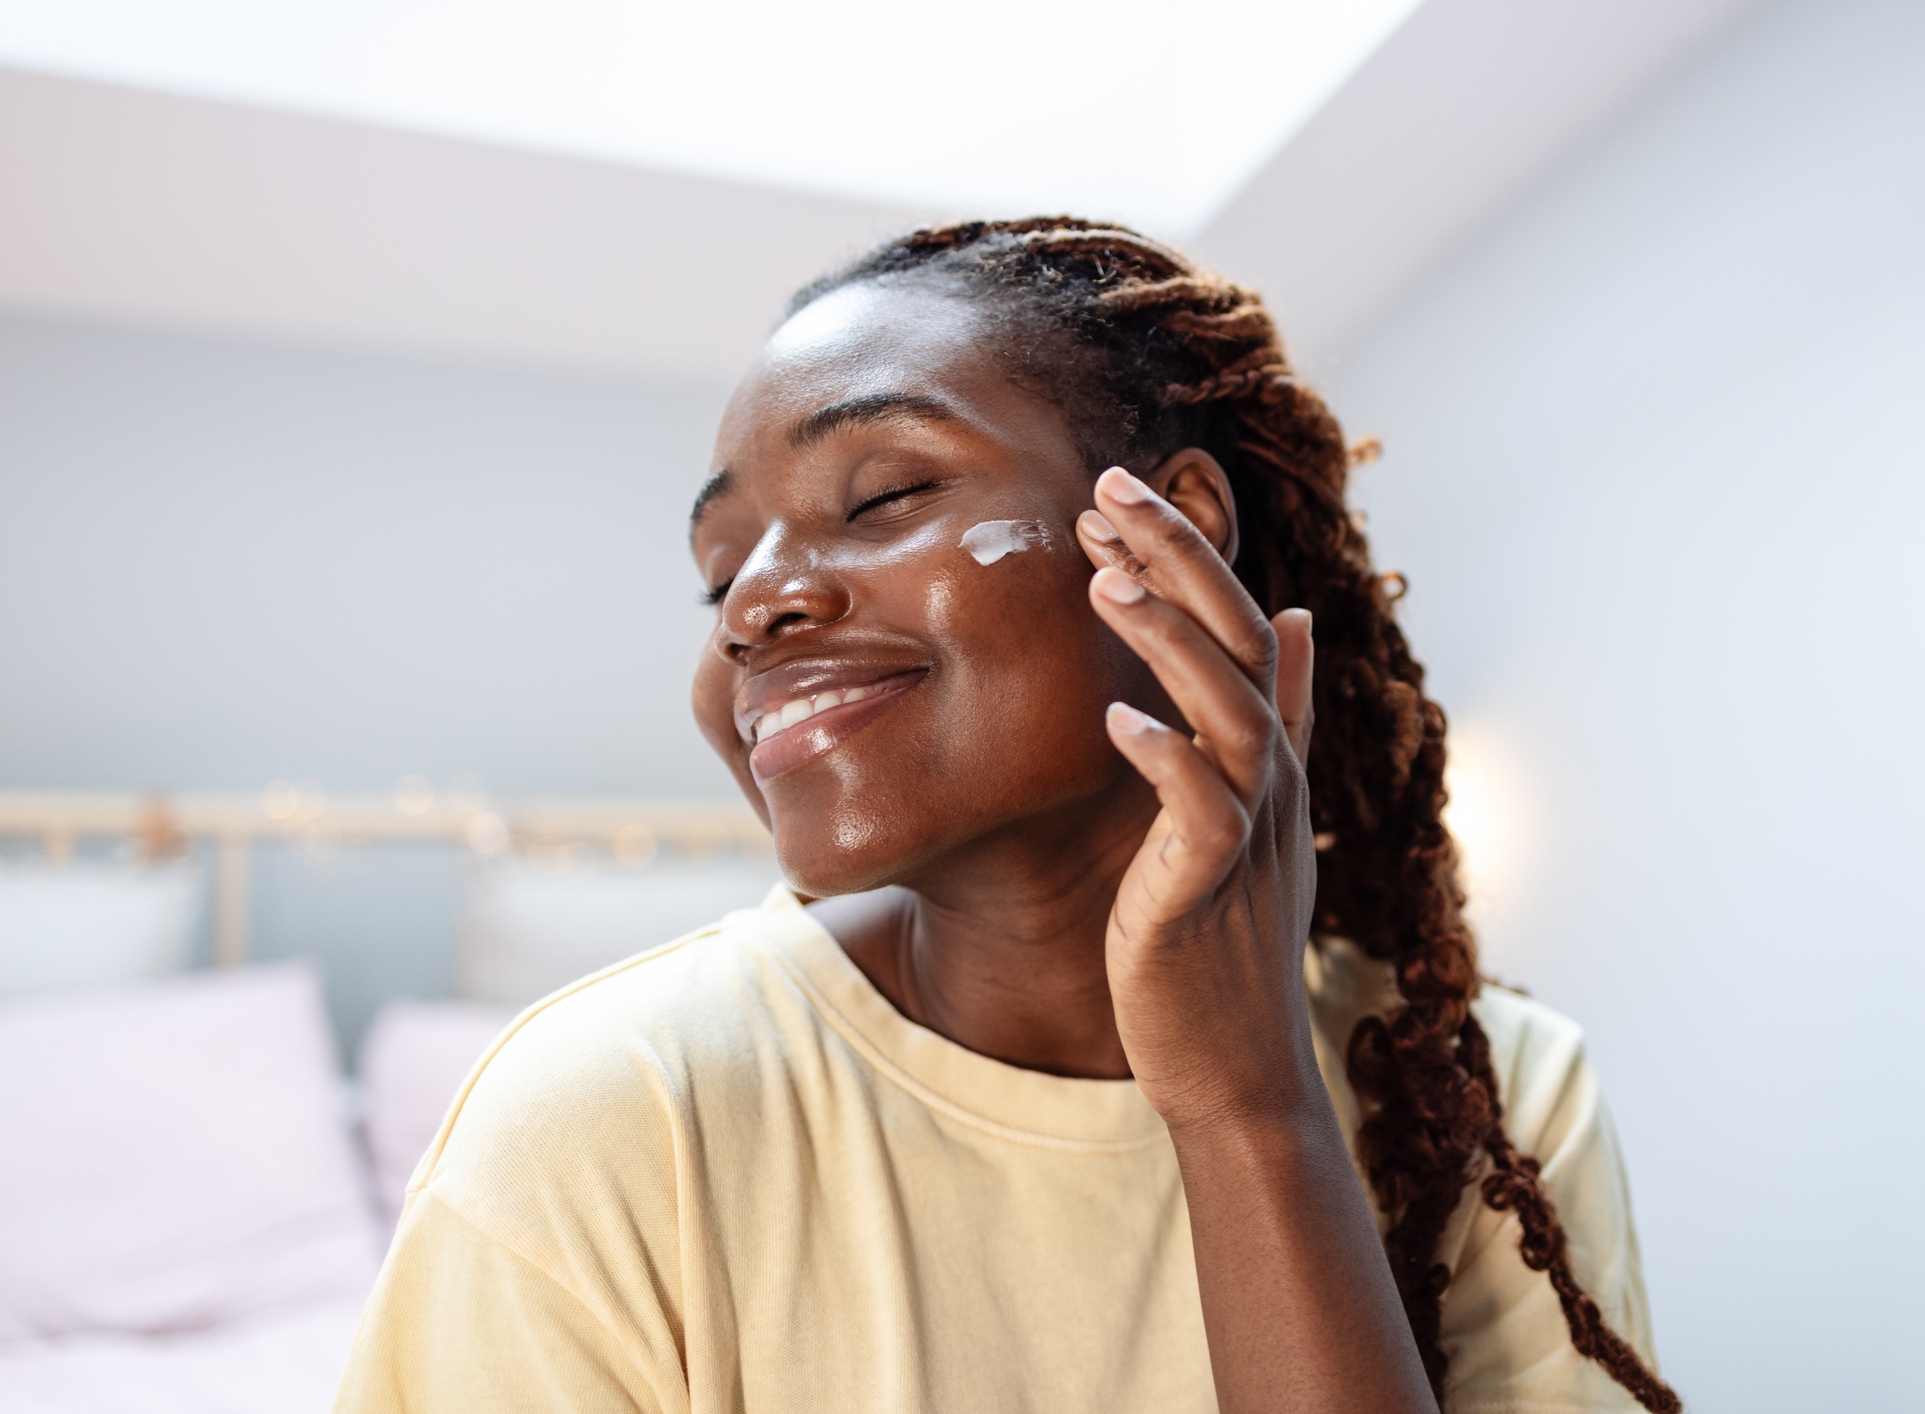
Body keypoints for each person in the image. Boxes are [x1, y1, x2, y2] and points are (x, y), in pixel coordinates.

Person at [333, 219, 1678, 1413]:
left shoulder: (1483, 1094)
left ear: (1171, 532)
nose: (753, 605)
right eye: (719, 570)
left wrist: (1250, 1105)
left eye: (881, 495)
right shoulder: (605, 1117)